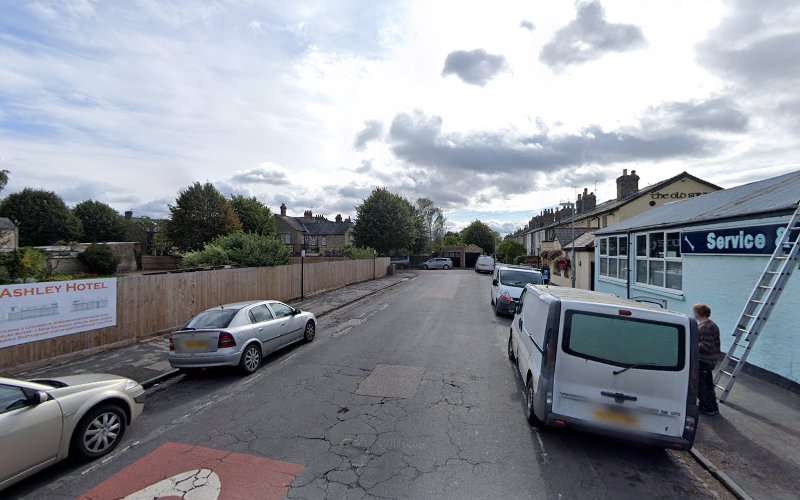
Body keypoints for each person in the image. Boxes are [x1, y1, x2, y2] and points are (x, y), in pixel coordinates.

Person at [693, 304, 721, 416]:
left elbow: (706, 346)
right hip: (708, 360)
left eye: (694, 311)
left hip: (704, 360)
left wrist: (692, 343)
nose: (693, 314)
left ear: (699, 313)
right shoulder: (710, 324)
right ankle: (706, 406)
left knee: (704, 385)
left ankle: (709, 408)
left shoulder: (705, 327)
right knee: (705, 384)